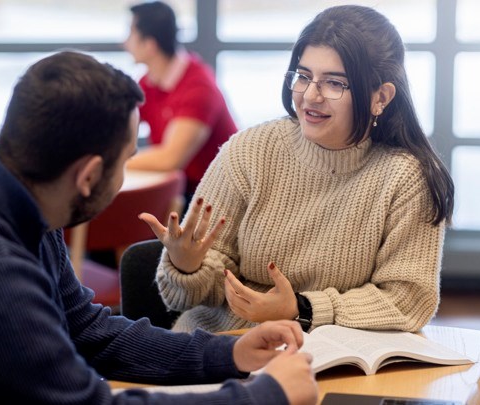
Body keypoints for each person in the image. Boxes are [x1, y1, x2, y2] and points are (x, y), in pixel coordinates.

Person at [0, 51, 317, 405]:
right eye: (126, 159)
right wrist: (263, 397)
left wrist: (230, 352)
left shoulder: (7, 190)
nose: (126, 171)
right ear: (88, 175)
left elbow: (86, 331)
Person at [140, 5, 455, 334]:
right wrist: (186, 265)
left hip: (334, 358)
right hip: (223, 346)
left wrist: (301, 309)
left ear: (381, 97)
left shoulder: (406, 178)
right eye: (303, 77)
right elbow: (185, 296)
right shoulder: (251, 150)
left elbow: (408, 299)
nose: (310, 96)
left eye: (334, 83)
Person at [123, 1, 237, 204]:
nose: (124, 43)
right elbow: (118, 129)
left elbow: (170, 159)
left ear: (149, 44)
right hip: (183, 191)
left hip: (215, 198)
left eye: (130, 34)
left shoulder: (198, 86)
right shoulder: (149, 82)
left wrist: (110, 162)